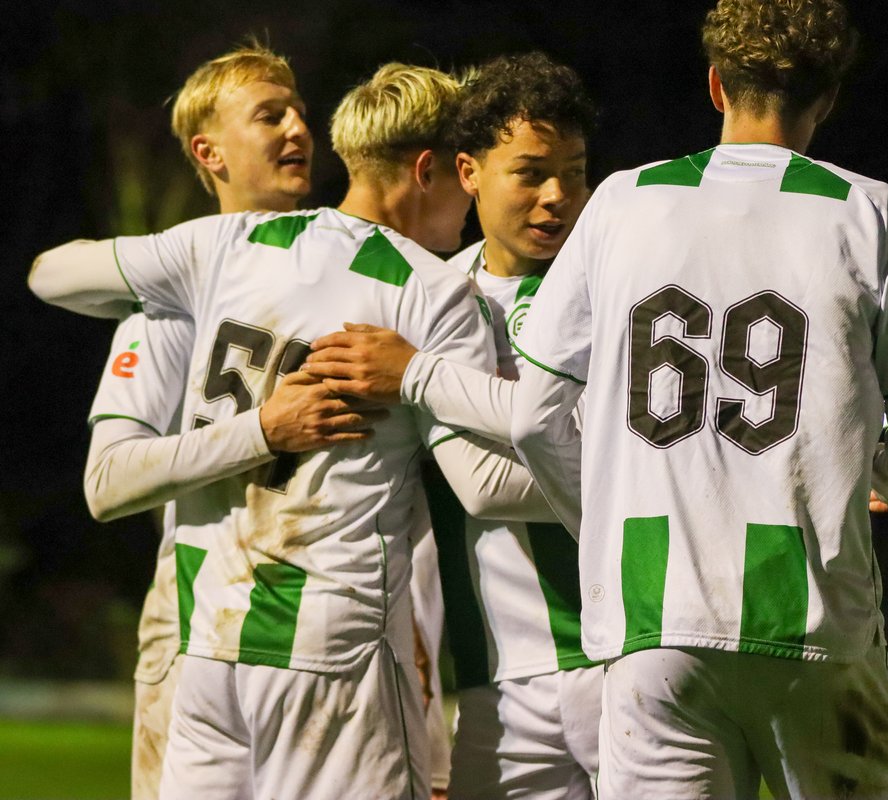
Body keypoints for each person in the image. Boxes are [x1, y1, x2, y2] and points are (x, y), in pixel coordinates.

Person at [29, 62, 555, 800]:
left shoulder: (226, 244)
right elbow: (485, 484)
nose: (470, 201)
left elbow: (50, 274)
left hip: (209, 648)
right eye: (463, 176)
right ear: (427, 170)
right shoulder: (436, 292)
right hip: (332, 653)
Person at [507, 1, 888, 797]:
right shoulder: (869, 210)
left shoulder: (621, 201)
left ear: (716, 85)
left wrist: (607, 516)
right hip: (812, 611)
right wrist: (880, 477)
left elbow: (534, 419)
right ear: (827, 98)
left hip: (653, 613)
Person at [304, 52, 602, 799]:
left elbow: (626, 455)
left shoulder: (619, 288)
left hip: (624, 657)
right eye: (531, 173)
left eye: (574, 172)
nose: (557, 196)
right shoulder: (432, 296)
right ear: (467, 172)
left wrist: (418, 374)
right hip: (495, 679)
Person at [81, 42, 343, 800]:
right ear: (210, 153)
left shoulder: (353, 276)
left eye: (300, 112)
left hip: (323, 627)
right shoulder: (170, 302)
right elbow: (107, 482)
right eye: (270, 115)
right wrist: (262, 431)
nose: (298, 129)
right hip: (197, 621)